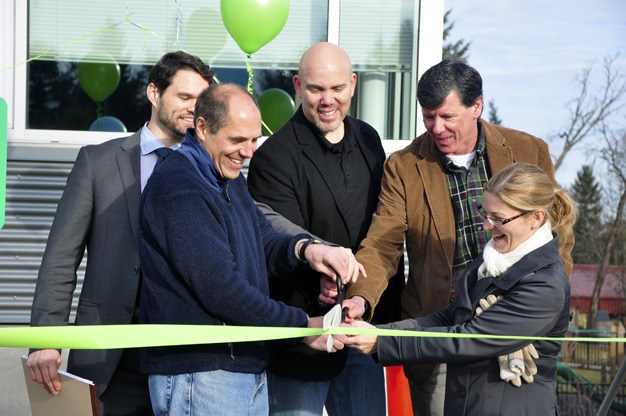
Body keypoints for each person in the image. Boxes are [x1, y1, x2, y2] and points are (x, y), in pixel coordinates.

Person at [25, 51, 321, 416]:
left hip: (182, 349)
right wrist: (45, 338)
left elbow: (261, 226)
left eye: (200, 100)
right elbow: (60, 258)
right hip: (113, 348)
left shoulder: (218, 169)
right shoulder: (98, 163)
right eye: (184, 97)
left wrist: (308, 249)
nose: (193, 108)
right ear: (154, 93)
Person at [340, 59, 574, 415]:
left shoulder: (529, 150)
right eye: (428, 117)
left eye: (447, 117)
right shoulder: (403, 166)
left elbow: (558, 237)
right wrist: (361, 298)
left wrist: (535, 318)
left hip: (513, 329)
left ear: (476, 105)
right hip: (439, 326)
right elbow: (383, 242)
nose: (437, 127)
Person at [139, 83, 363, 415]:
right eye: (237, 140)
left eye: (255, 139)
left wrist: (309, 251)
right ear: (201, 128)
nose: (249, 152)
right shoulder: (180, 185)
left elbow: (265, 240)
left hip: (241, 366)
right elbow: (222, 290)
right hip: (203, 374)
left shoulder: (227, 179)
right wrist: (304, 326)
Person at [345, 162, 577, 415]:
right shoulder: (490, 260)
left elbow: (469, 339)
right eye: (484, 213)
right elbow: (448, 317)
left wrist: (384, 343)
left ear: (536, 218)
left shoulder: (545, 283)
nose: (486, 226)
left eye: (498, 219)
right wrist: (378, 331)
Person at [247, 41, 403, 416]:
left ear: (352, 85)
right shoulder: (274, 157)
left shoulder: (369, 140)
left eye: (336, 89)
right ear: (298, 87)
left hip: (363, 329)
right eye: (316, 89)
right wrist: (323, 278)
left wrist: (365, 297)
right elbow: (277, 242)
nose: (327, 100)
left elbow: (381, 228)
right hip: (304, 338)